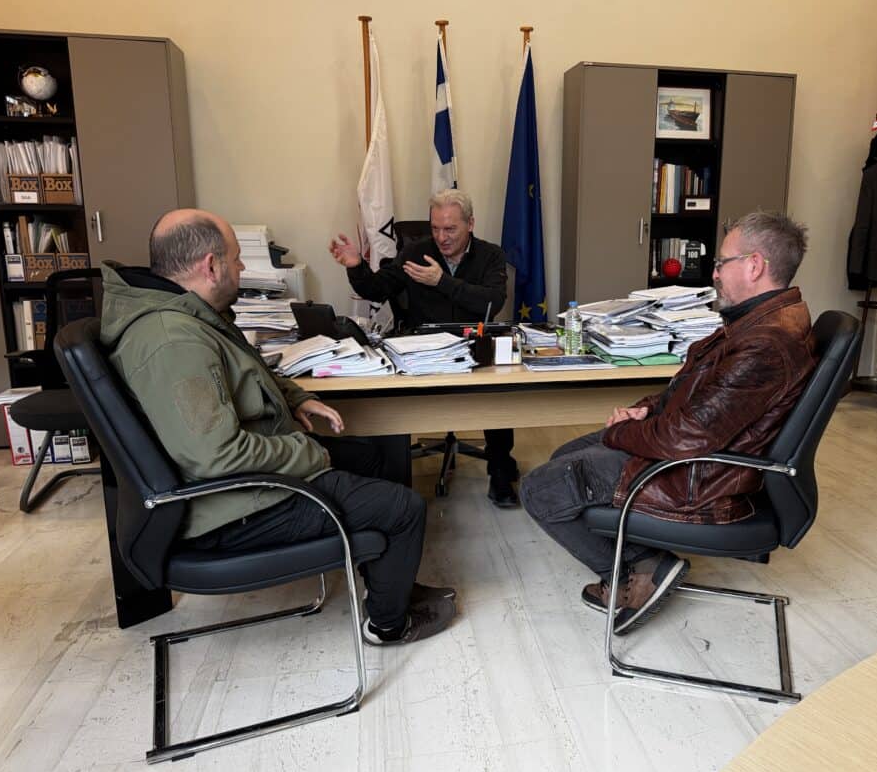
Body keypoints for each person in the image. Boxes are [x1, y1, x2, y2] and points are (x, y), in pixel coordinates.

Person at [99, 208, 456, 645]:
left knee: (373, 457)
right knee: (405, 508)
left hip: (240, 482)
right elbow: (217, 456)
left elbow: (247, 370)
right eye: (236, 259)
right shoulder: (173, 340)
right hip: (231, 509)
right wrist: (307, 452)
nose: (241, 268)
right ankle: (389, 626)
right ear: (210, 266)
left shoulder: (187, 313)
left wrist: (295, 398)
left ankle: (387, 586)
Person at [519, 211, 816, 635]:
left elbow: (688, 436)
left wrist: (620, 431)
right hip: (698, 458)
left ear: (754, 266)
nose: (715, 273)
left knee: (539, 489)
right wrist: (644, 410)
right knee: (564, 456)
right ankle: (644, 561)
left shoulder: (766, 343)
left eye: (722, 262)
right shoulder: (760, 322)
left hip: (698, 478)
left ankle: (638, 570)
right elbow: (695, 393)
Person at [329, 189, 521, 507]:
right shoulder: (415, 252)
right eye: (435, 228)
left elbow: (492, 301)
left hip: (473, 348)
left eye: (450, 229)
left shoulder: (490, 255)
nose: (441, 237)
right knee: (389, 401)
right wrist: (355, 265)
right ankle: (395, 485)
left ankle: (500, 472)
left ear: (470, 224)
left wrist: (441, 281)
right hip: (423, 352)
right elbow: (377, 289)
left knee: (498, 391)